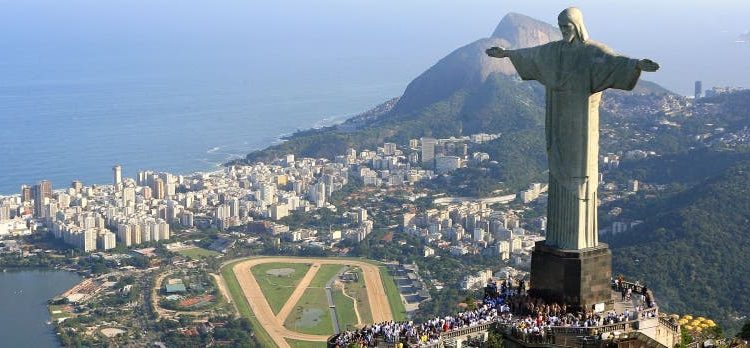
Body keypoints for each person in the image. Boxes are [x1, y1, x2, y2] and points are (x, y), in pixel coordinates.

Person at [486, 7, 659, 250]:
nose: (563, 31)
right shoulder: (554, 51)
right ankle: (559, 238)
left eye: (567, 26)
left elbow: (614, 62)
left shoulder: (592, 53)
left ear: (577, 26)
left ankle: (578, 239)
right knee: (558, 167)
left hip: (580, 123)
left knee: (579, 172)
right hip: (558, 117)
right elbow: (532, 54)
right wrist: (506, 54)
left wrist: (637, 65)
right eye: (561, 26)